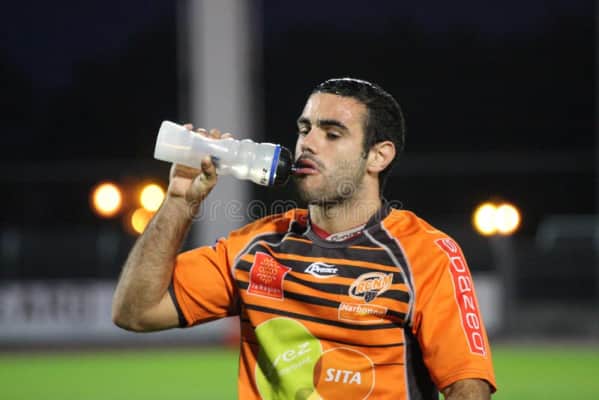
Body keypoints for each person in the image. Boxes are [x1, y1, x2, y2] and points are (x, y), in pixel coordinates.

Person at [112, 78, 497, 399]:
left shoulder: (426, 253)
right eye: (304, 129)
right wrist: (179, 200)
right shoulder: (256, 246)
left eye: (332, 133)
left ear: (378, 157)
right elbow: (135, 312)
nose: (308, 143)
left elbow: (467, 386)